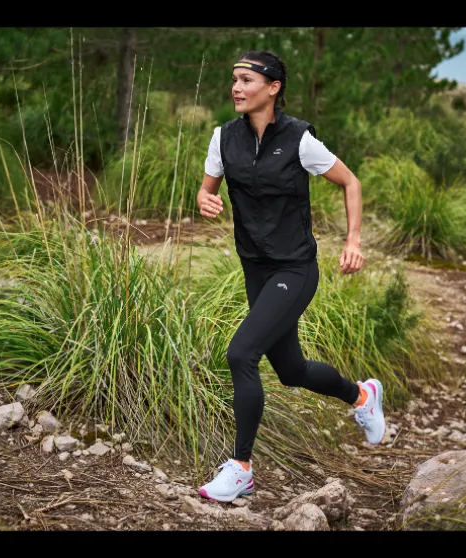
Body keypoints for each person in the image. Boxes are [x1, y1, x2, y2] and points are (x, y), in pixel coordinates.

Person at [195, 50, 386, 503]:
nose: (236, 88)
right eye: (234, 79)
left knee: (241, 353)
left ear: (273, 87)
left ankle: (241, 468)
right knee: (291, 370)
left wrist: (353, 240)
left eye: (246, 80)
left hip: (295, 268)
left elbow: (351, 182)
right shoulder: (224, 138)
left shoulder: (300, 140)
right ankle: (362, 396)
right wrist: (205, 201)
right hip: (255, 266)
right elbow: (206, 191)